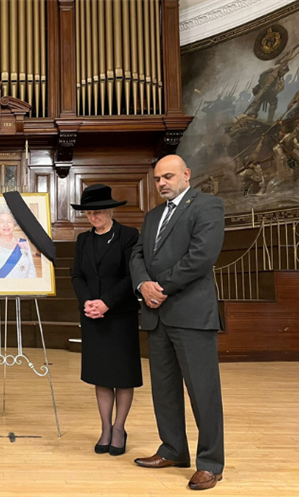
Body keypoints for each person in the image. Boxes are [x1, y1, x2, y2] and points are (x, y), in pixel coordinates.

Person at [129, 155, 225, 491]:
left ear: (186, 175)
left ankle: (210, 463)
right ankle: (172, 449)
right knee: (164, 391)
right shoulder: (153, 215)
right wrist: (143, 284)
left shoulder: (208, 206)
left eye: (168, 177)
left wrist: (162, 287)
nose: (162, 184)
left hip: (191, 315)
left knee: (203, 392)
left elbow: (202, 256)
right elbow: (137, 254)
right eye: (157, 179)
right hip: (157, 315)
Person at [70, 184, 142, 457]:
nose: (93, 217)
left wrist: (107, 303)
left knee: (122, 377)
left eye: (98, 212)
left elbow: (130, 275)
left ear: (110, 209)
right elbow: (77, 276)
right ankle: (105, 428)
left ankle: (120, 428)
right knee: (101, 375)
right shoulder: (83, 240)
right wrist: (87, 301)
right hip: (92, 316)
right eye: (88, 213)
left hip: (119, 315)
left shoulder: (128, 236)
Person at [0, 204, 37, 278]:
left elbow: (31, 271)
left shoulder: (23, 243)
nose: (6, 225)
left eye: (9, 221)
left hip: (22, 288)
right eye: (1, 222)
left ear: (14, 223)